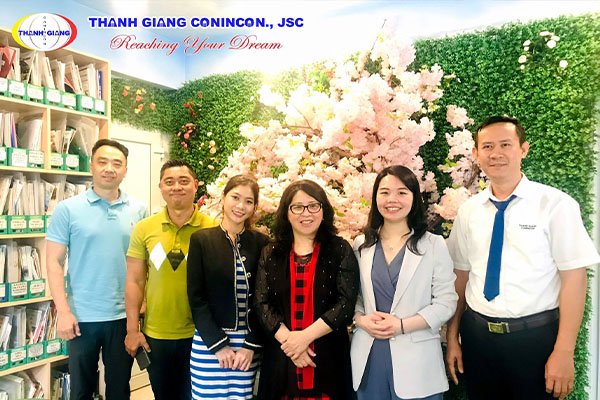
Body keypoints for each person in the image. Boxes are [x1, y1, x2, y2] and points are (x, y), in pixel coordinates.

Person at [446, 115, 600, 400]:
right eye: (488, 146)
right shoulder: (469, 211)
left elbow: (574, 279)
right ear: (477, 154)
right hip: (478, 339)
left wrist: (564, 350)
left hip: (535, 340)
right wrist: (452, 336)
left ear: (523, 149)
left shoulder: (555, 205)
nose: (496, 153)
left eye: (505, 144)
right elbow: (461, 276)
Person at [46, 139, 148, 400]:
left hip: (124, 316)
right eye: (102, 162)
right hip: (82, 317)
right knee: (81, 389)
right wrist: (63, 312)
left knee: (119, 388)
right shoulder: (68, 209)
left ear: (125, 170)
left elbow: (145, 263)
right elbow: (54, 262)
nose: (109, 168)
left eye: (117, 163)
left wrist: (143, 303)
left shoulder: (139, 210)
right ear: (91, 165)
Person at [350, 165, 457, 400]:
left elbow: (446, 302)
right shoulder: (361, 244)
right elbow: (355, 298)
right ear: (375, 197)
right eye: (385, 192)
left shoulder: (433, 245)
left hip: (417, 359)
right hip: (370, 355)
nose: (392, 199)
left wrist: (401, 325)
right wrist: (361, 320)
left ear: (414, 198)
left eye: (402, 192)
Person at [254, 179, 359, 400]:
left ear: (323, 210)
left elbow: (346, 303)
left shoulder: (340, 249)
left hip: (327, 356)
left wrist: (304, 338)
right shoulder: (271, 252)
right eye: (298, 207)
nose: (306, 213)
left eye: (313, 206)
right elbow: (261, 303)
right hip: (282, 356)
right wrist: (291, 343)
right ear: (286, 213)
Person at [124, 160, 216, 400]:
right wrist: (132, 330)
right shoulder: (145, 228)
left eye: (184, 181)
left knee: (195, 396)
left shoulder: (213, 228)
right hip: (157, 334)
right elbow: (134, 281)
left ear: (196, 185)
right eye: (169, 182)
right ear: (161, 187)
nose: (177, 187)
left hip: (200, 334)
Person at [186, 175, 269, 400]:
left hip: (248, 345)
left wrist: (250, 345)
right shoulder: (201, 240)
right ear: (223, 198)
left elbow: (265, 299)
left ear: (254, 207)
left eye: (249, 201)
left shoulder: (261, 243)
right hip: (209, 342)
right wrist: (218, 345)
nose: (241, 206)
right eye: (235, 197)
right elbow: (196, 299)